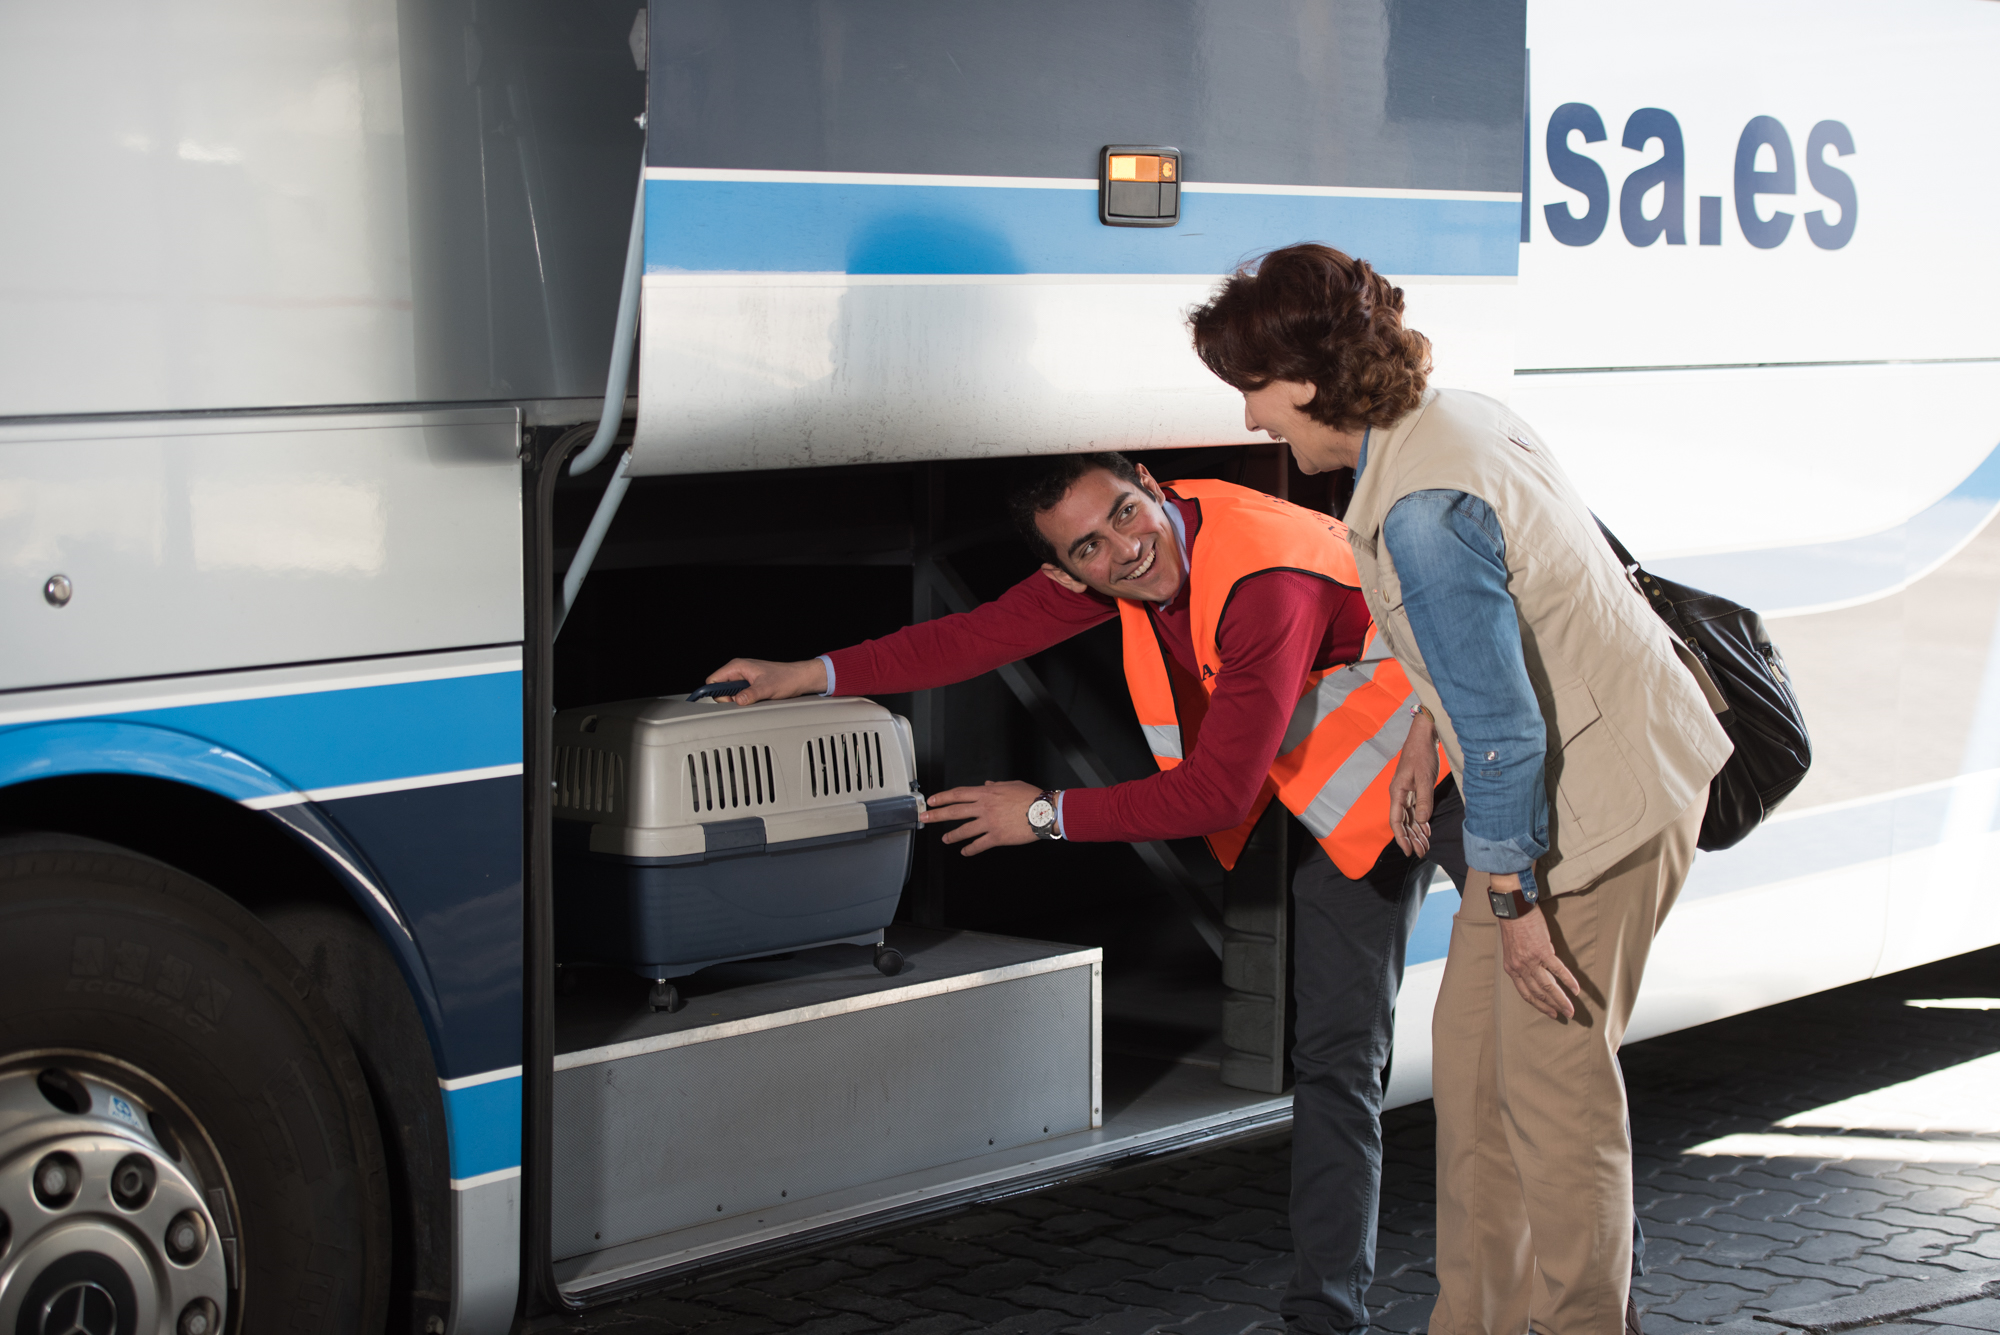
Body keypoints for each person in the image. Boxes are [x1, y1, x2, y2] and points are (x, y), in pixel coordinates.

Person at [709, 452, 1464, 1335]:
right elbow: (969, 637)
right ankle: (1326, 1319)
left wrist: (1041, 813)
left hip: (1463, 771)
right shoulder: (1106, 571)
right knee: (1338, 1066)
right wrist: (806, 673)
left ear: (1149, 483)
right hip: (1360, 816)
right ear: (1063, 570)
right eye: (1090, 548)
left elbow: (1217, 794)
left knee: (1527, 1055)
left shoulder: (1262, 578)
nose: (1126, 550)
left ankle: (1596, 1304)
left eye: (1126, 514)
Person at [1189, 243, 1732, 1335]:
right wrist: (1414, 737)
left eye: (1252, 388)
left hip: (1597, 813)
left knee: (1551, 1097)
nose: (1250, 419)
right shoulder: (1449, 420)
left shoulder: (1421, 507)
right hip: (1567, 785)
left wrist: (1513, 904)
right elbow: (1494, 639)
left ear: (1303, 378)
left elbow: (1505, 729)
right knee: (1479, 1091)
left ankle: (1580, 1324)